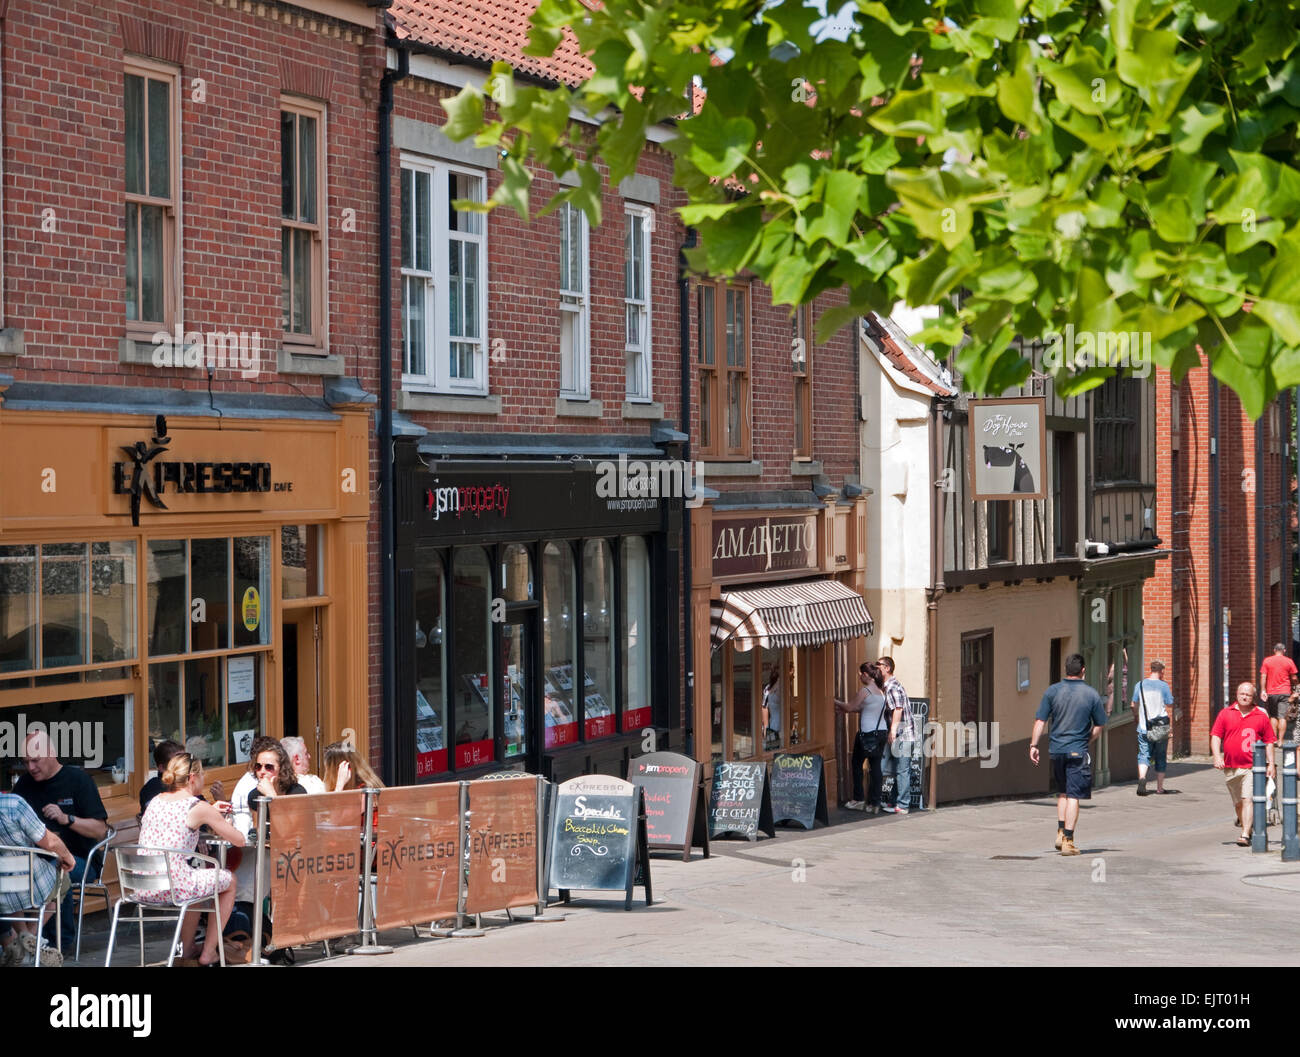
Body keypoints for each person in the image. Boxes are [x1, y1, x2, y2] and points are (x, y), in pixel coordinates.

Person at [136, 752, 245, 966]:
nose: (204, 778)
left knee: (199, 886)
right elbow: (239, 840)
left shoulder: (155, 801)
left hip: (141, 886)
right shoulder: (196, 806)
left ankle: (186, 950)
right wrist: (220, 815)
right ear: (193, 777)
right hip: (174, 886)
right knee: (229, 881)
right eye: (203, 773)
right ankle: (208, 952)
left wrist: (209, 812)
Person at [15, 730, 108, 949]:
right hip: (34, 858)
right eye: (26, 762)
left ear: (51, 753)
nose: (30, 768)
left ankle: (57, 944)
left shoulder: (78, 780)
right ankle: (20, 940)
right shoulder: (24, 784)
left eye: (35, 760)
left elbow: (100, 830)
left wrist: (68, 819)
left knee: (55, 868)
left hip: (80, 860)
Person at [1029, 653, 1107, 856]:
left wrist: (1033, 745)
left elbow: (1040, 721)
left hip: (1056, 750)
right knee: (1074, 795)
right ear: (1083, 670)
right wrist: (1087, 740)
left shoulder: (1052, 692)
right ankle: (1069, 841)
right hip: (1077, 751)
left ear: (1066, 670)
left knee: (1062, 792)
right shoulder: (1091, 694)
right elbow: (1099, 725)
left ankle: (1060, 832)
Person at [0, 791, 75, 966]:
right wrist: (67, 857)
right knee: (63, 881)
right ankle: (30, 940)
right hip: (32, 885)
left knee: (9, 889)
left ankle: (22, 941)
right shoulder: (12, 804)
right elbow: (50, 842)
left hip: (3, 892)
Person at [1211, 682, 1276, 846]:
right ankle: (1247, 825)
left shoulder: (1260, 716)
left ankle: (1245, 834)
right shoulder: (1225, 713)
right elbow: (1216, 736)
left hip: (1252, 767)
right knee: (1238, 803)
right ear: (1237, 695)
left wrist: (1271, 764)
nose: (1245, 697)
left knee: (1248, 799)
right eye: (1242, 694)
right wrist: (1217, 756)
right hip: (1231, 766)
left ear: (1253, 697)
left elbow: (1269, 741)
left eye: (1248, 694)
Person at [834, 661, 889, 814]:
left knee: (856, 764)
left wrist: (833, 702)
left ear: (865, 675)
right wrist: (846, 709)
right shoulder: (880, 690)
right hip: (881, 732)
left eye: (860, 675)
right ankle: (875, 803)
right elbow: (863, 709)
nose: (859, 677)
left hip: (867, 733)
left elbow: (851, 706)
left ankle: (858, 799)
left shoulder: (865, 690)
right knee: (876, 767)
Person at [878, 656, 916, 815]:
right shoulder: (888, 686)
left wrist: (893, 731)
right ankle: (891, 801)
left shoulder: (893, 687)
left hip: (903, 735)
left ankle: (902, 804)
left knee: (901, 770)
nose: (876, 668)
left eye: (878, 665)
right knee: (887, 768)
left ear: (887, 668)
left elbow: (898, 709)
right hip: (895, 735)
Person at [1132, 660, 1174, 796]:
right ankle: (1159, 788)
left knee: (1144, 754)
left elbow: (1134, 704)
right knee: (1161, 756)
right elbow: (1169, 703)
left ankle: (1142, 778)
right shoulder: (1163, 686)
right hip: (1160, 728)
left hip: (1144, 727)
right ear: (1161, 671)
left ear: (1151, 670)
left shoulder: (1140, 685)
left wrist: (1137, 717)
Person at [138, 740, 185, 819]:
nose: (184, 765)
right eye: (177, 762)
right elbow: (155, 816)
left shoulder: (188, 783)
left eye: (185, 760)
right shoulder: (154, 786)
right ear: (162, 768)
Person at [1259, 643, 1297, 739]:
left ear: (1274, 650)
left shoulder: (1267, 661)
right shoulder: (1289, 661)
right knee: (1282, 717)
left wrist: (1263, 690)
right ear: (1284, 651)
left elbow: (1263, 676)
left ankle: (1273, 738)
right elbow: (1294, 677)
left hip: (1271, 692)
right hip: (1285, 691)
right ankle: (1280, 740)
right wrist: (1297, 686)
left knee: (1273, 716)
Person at [761, 667, 782, 750]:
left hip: (780, 724)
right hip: (775, 725)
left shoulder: (785, 687)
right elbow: (764, 707)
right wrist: (766, 728)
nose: (793, 675)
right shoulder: (768, 689)